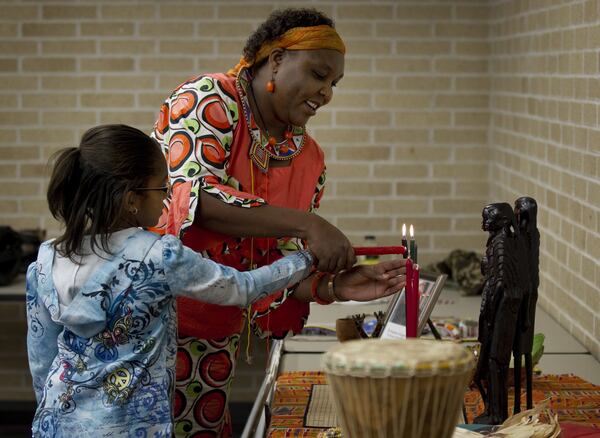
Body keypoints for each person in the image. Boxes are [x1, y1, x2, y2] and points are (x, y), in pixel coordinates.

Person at [26, 124, 406, 437]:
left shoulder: (44, 260)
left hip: (57, 421)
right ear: (129, 199)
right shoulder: (158, 254)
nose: (167, 201)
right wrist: (308, 257)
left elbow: (42, 361)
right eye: (162, 188)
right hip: (132, 427)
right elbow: (241, 288)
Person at [152, 8, 372, 436]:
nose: (325, 92)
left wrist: (334, 286)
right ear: (274, 59)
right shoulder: (208, 99)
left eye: (333, 84)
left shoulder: (308, 157)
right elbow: (193, 199)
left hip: (217, 332)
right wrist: (307, 224)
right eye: (318, 74)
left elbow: (281, 265)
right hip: (152, 322)